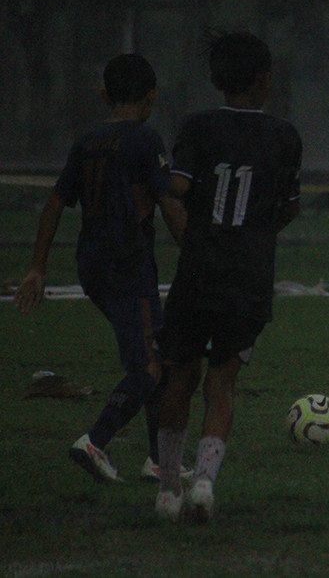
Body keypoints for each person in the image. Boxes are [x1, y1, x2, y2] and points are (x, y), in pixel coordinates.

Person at [14, 54, 187, 483]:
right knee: (148, 367)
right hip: (128, 264)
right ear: (151, 97)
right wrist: (200, 253)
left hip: (92, 265)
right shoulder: (145, 139)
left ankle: (159, 461)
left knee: (158, 355)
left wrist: (37, 267)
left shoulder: (87, 141)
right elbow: (167, 204)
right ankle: (95, 441)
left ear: (104, 96)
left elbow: (55, 203)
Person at [154, 31, 302, 522]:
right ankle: (204, 484)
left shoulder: (197, 127)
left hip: (198, 271)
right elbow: (288, 208)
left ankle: (168, 490)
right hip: (248, 277)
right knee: (223, 382)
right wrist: (255, 235)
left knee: (180, 376)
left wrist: (189, 230)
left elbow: (175, 189)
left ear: (218, 79)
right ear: (265, 80)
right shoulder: (284, 136)